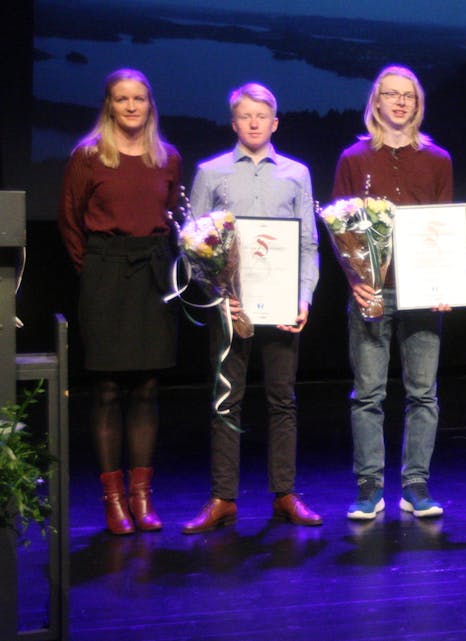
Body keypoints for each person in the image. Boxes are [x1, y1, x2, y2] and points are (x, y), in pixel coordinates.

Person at [181, 83, 322, 534]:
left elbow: (308, 244)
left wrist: (303, 298)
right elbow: (192, 242)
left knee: (283, 400)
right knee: (227, 401)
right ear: (234, 122)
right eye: (246, 116)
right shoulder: (211, 172)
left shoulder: (296, 174)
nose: (255, 122)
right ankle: (223, 498)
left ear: (275, 122)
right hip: (230, 307)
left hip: (281, 306)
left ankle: (284, 494)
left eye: (263, 116)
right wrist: (218, 292)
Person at [58, 68, 181, 535]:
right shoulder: (88, 157)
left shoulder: (167, 158)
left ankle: (142, 497)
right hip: (105, 271)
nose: (131, 107)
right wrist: (92, 269)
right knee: (108, 388)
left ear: (150, 105)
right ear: (109, 105)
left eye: (139, 99)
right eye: (122, 99)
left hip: (152, 270)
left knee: (147, 387)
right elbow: (69, 222)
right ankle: (112, 501)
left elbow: (168, 217)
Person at [331, 65, 453, 520]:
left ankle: (416, 484)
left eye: (409, 97)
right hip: (371, 292)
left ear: (417, 106)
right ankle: (369, 487)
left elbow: (443, 229)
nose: (401, 102)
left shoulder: (437, 159)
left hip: (422, 293)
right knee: (369, 394)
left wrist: (444, 284)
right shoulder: (353, 158)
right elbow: (339, 228)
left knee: (423, 392)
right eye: (392, 95)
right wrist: (356, 281)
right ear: (376, 102)